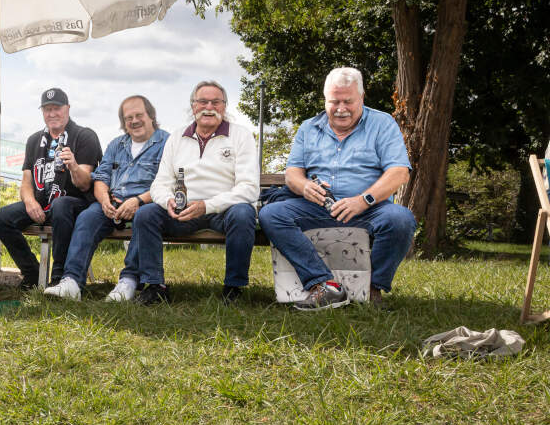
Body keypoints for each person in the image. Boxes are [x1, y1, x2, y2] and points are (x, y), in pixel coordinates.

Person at [259, 67, 416, 310]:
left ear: (361, 98)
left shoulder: (382, 123)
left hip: (368, 209)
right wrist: (304, 187)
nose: (341, 108)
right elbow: (292, 174)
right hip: (318, 207)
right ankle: (324, 286)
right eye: (334, 101)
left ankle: (371, 289)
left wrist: (363, 200)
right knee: (271, 214)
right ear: (325, 100)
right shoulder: (308, 128)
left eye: (348, 101)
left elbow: (399, 172)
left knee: (401, 219)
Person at [134, 81, 259, 304]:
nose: (209, 107)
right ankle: (155, 287)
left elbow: (249, 188)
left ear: (225, 106)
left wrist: (207, 205)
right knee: (146, 214)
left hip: (224, 211)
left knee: (244, 213)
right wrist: (168, 201)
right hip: (184, 211)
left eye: (216, 102)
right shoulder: (177, 137)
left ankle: (234, 289)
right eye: (202, 101)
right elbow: (159, 184)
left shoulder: (241, 135)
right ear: (193, 106)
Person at [45, 95, 169, 300]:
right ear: (123, 122)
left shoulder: (167, 142)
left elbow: (168, 182)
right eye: (128, 118)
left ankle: (128, 282)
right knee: (87, 217)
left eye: (139, 115)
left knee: (144, 217)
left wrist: (138, 201)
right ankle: (72, 282)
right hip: (112, 203)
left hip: (147, 203)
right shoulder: (116, 145)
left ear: (151, 116)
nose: (134, 121)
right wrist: (103, 200)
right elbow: (101, 178)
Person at [0, 88, 102, 290]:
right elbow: (26, 180)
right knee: (0, 218)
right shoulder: (34, 140)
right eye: (47, 109)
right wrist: (30, 202)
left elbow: (85, 184)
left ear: (67, 109)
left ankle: (59, 277)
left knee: (61, 205)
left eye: (57, 108)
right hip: (43, 203)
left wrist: (74, 166)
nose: (52, 113)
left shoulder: (84, 136)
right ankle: (32, 273)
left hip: (76, 204)